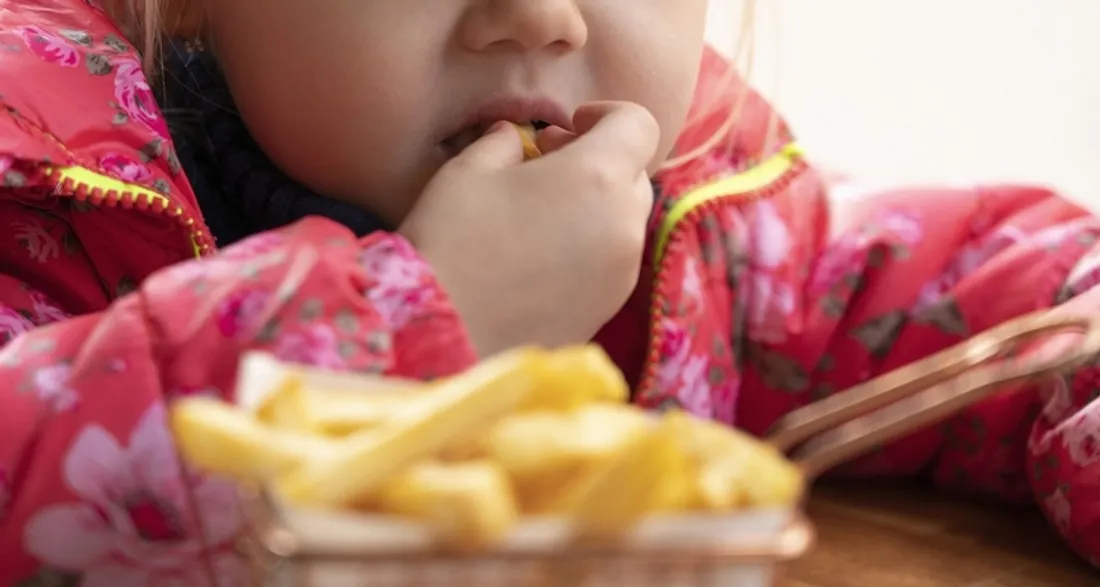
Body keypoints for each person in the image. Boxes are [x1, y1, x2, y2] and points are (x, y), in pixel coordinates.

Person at [0, 0, 1098, 584]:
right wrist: (416, 312)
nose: (536, 14)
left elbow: (1035, 306)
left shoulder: (710, 219)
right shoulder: (40, 200)